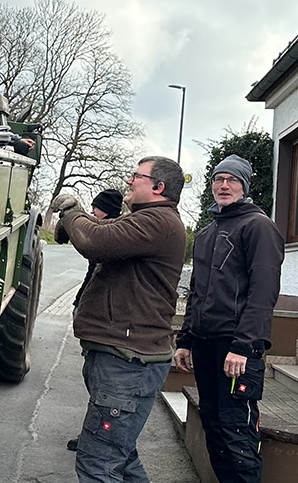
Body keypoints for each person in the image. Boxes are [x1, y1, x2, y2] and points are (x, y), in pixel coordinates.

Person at [50, 156, 186, 483]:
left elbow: (94, 241)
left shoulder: (158, 222)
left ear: (158, 187)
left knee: (100, 464)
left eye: (136, 176)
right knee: (120, 458)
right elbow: (100, 230)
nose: (129, 181)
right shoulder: (146, 220)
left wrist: (71, 212)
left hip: (127, 365)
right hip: (124, 361)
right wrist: (76, 221)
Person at [174, 155, 284, 483]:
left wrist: (245, 345)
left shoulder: (258, 227)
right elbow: (197, 293)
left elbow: (263, 294)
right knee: (214, 427)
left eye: (232, 180)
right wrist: (186, 340)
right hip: (206, 345)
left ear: (244, 186)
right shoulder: (208, 232)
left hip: (236, 349)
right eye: (218, 180)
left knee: (237, 433)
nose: (224, 186)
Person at [65, 188, 124, 452]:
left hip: (106, 324)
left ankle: (96, 439)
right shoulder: (106, 231)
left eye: (96, 208)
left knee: (100, 386)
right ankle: (93, 435)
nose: (93, 211)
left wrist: (73, 215)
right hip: (93, 314)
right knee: (92, 377)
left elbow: (92, 245)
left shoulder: (113, 234)